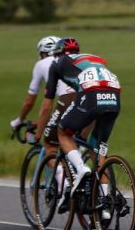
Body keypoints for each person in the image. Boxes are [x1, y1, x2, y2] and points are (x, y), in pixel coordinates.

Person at [34, 38, 122, 210]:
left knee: (63, 132)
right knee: (97, 150)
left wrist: (39, 130)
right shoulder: (92, 58)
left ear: (56, 53)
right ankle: (104, 205)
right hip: (114, 98)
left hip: (91, 96)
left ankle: (81, 169)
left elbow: (47, 104)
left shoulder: (57, 63)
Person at [9, 36, 77, 149]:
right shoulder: (72, 59)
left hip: (68, 101)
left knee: (50, 145)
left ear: (43, 53)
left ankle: (61, 167)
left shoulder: (41, 64)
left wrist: (19, 120)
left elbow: (30, 101)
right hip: (89, 98)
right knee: (78, 142)